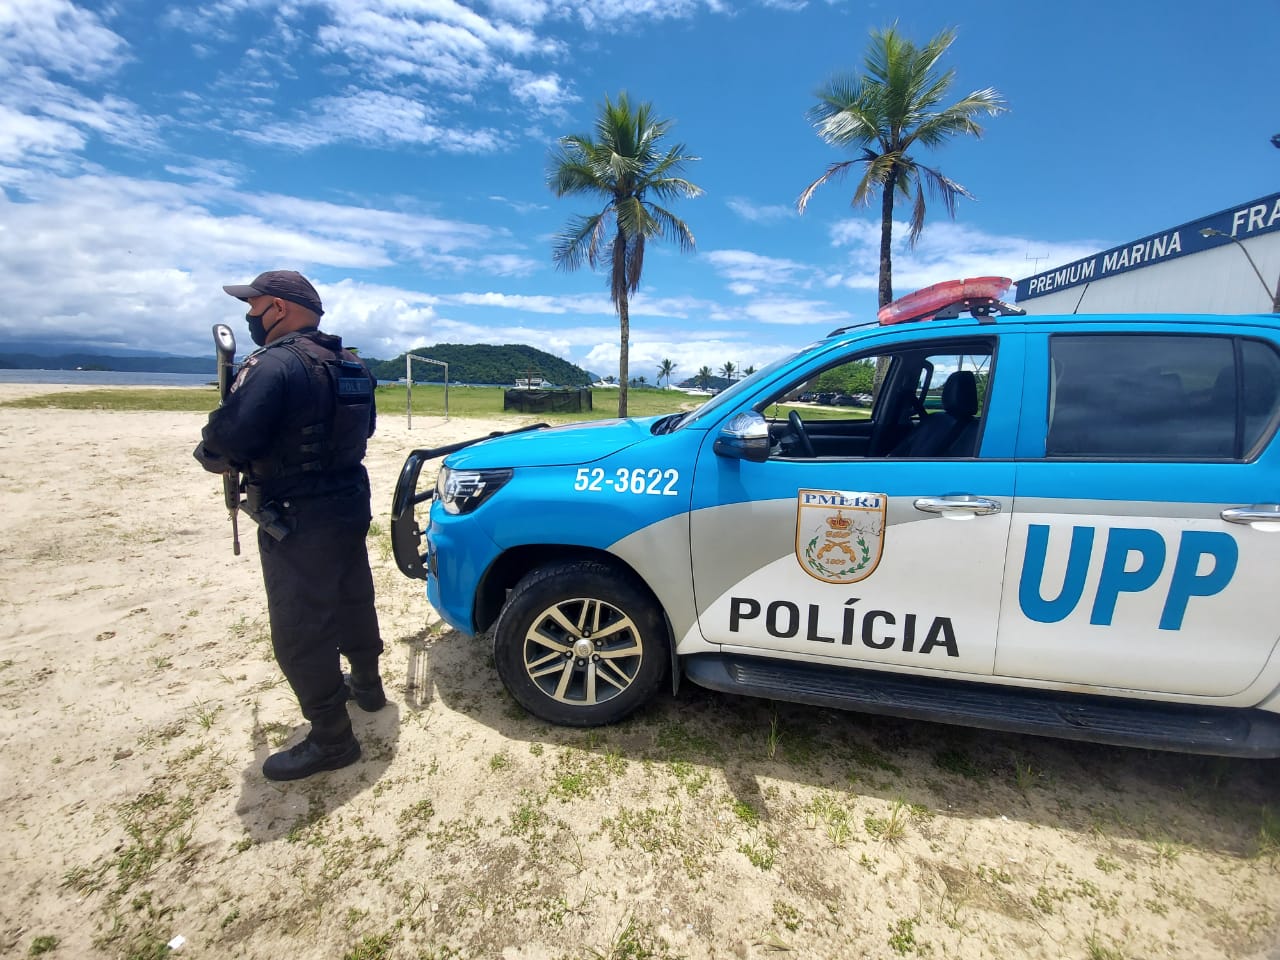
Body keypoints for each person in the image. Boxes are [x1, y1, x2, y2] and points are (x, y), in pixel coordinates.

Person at [194, 270, 385, 781]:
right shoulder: (352, 365)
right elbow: (365, 428)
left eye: (253, 307)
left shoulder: (274, 364)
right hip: (347, 501)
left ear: (277, 308)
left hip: (295, 514)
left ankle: (331, 738)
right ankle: (367, 685)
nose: (250, 317)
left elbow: (231, 437)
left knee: (301, 626)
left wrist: (211, 449)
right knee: (351, 595)